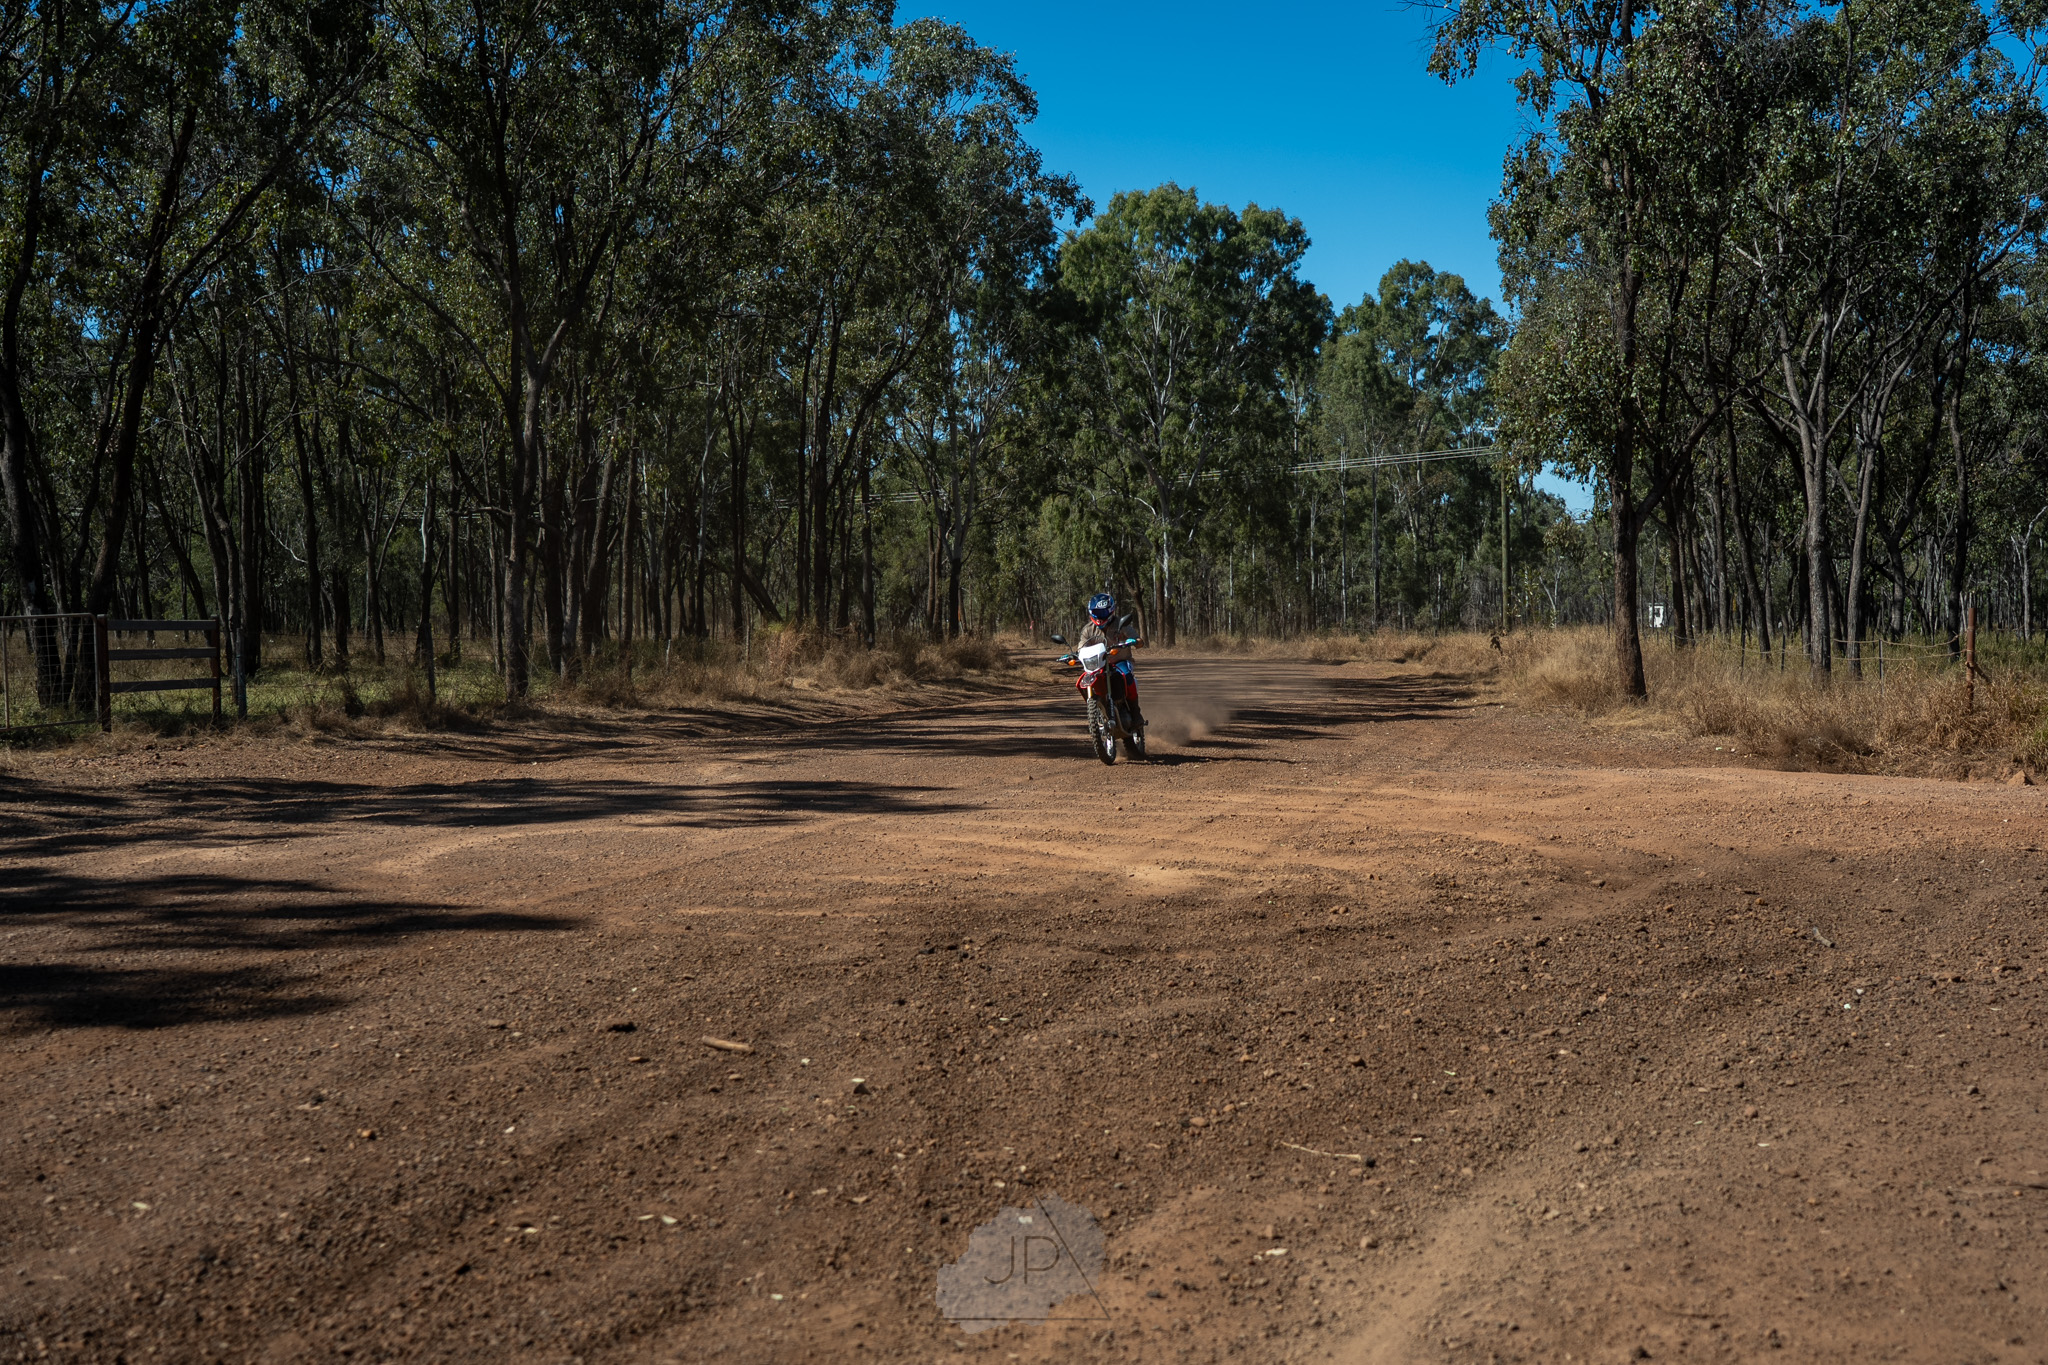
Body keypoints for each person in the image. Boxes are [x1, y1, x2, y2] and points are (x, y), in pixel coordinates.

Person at [1078, 592, 1146, 729]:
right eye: (1097, 612)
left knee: (1127, 675)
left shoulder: (1121, 624)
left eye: (1103, 612)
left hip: (1120, 662)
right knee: (1084, 679)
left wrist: (1134, 641)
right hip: (1098, 664)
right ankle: (1096, 708)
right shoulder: (1088, 630)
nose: (1100, 616)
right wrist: (1075, 654)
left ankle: (1135, 713)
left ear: (1111, 611)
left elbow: (1139, 641)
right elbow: (1081, 647)